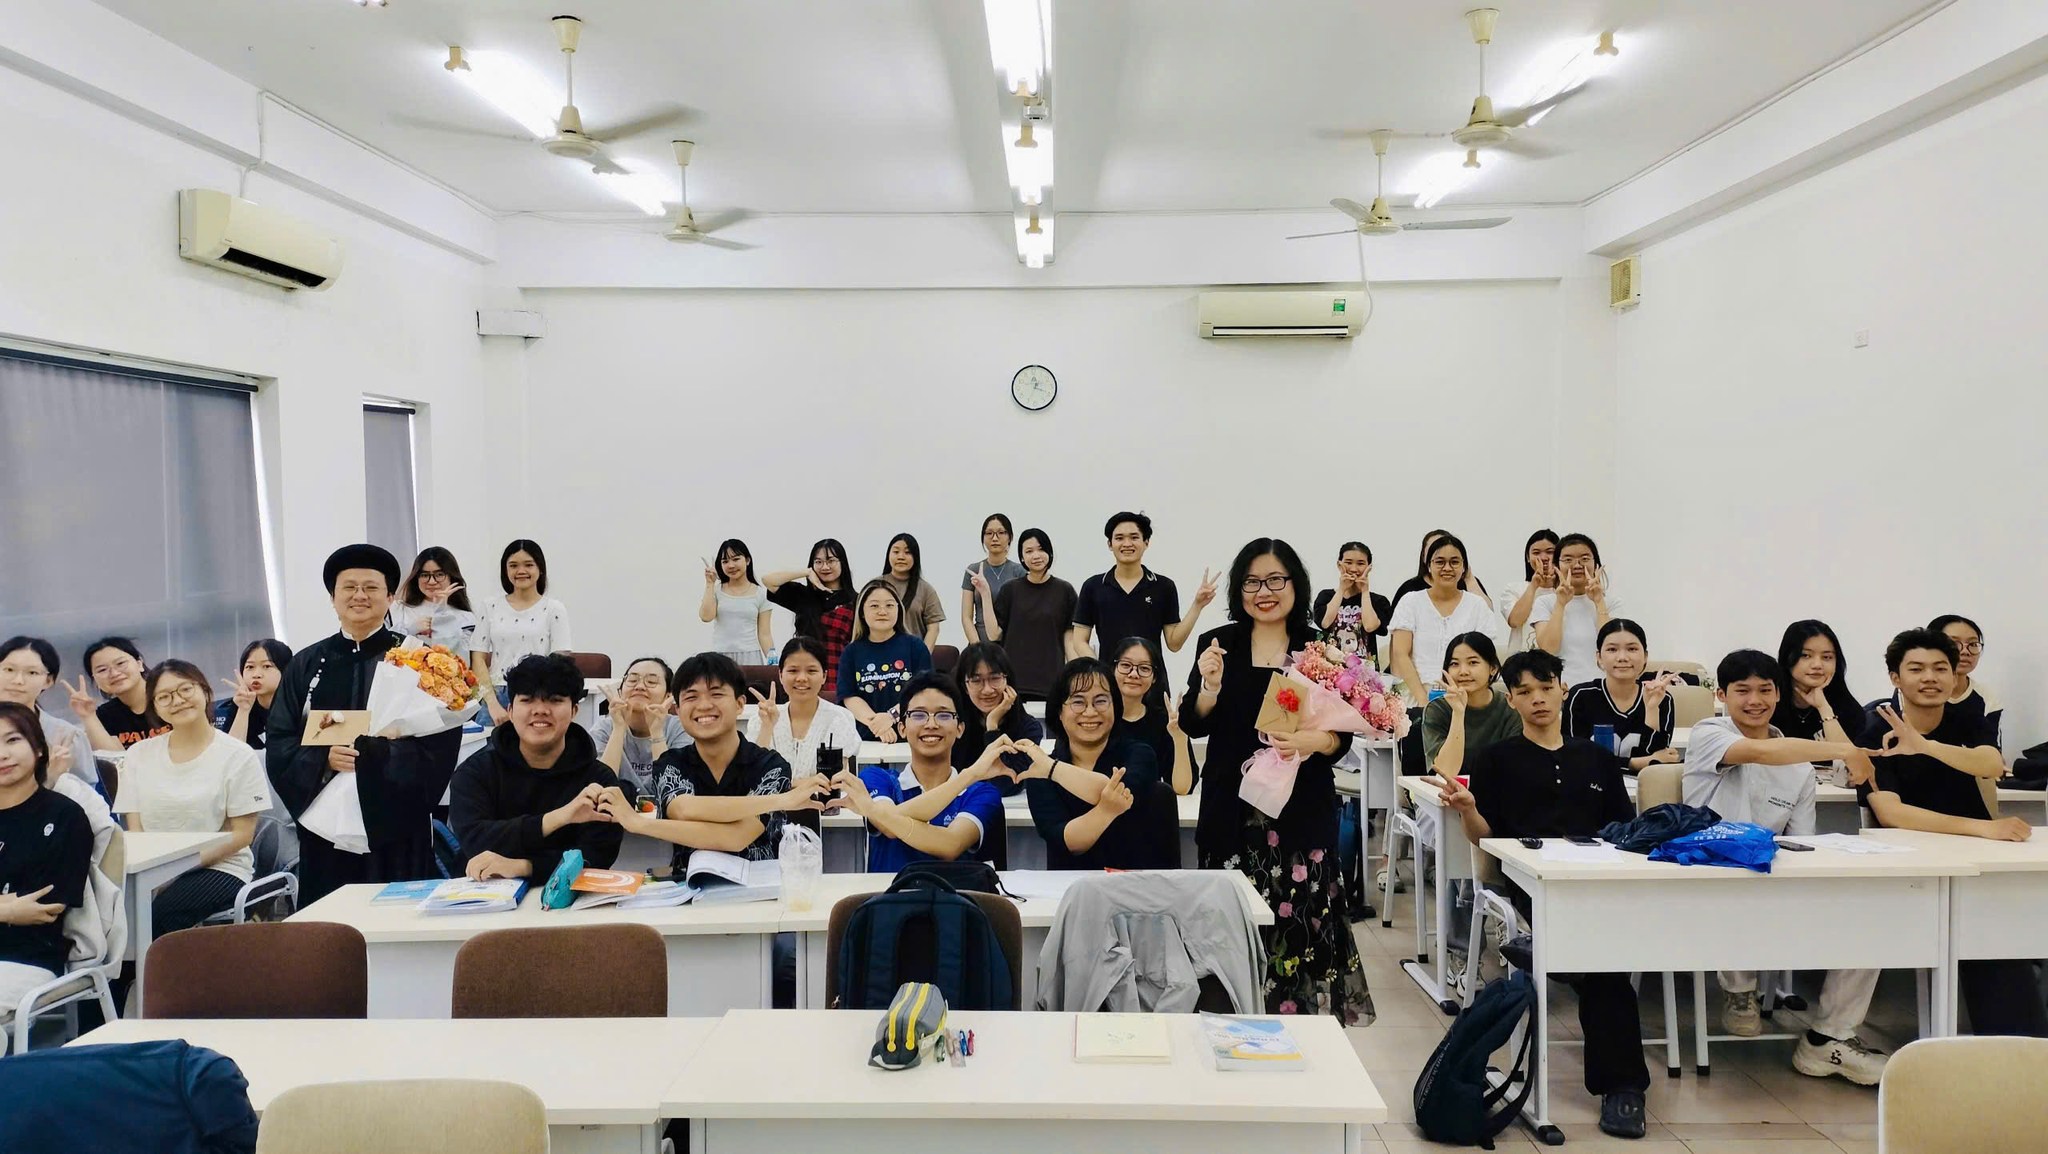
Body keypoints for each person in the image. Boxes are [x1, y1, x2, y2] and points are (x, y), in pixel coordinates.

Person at [1434, 649, 1648, 1139]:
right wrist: (1468, 809)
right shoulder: (1496, 759)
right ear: (1511, 700)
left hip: (1593, 883)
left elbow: (1624, 829)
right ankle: (1623, 1086)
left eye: (1546, 688)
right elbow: (1485, 838)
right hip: (1529, 885)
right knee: (1605, 962)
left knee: (1602, 955)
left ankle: (1621, 1082)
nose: (1538, 699)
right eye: (1525, 692)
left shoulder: (1595, 758)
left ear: (1562, 690)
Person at [1180, 537, 1371, 1023]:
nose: (1263, 592)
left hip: (1300, 814)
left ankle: (1297, 1037)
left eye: (1274, 580)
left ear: (1295, 585)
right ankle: (1227, 1030)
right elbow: (1194, 723)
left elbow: (1342, 737)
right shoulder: (1217, 643)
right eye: (1252, 582)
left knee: (1299, 932)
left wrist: (1312, 742)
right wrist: (1210, 687)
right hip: (1232, 809)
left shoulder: (1318, 648)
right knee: (1229, 932)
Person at [1682, 649, 1887, 1080]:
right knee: (1738, 875)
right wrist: (1847, 749)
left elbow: (1801, 842)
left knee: (1871, 918)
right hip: (1709, 876)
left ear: (1778, 694)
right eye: (1743, 691)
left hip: (1774, 876)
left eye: (1765, 690)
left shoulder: (1799, 766)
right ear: (1721, 695)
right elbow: (1759, 753)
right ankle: (1740, 990)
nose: (1755, 700)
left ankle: (1829, 1037)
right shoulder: (1708, 733)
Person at [1857, 628, 2046, 1036]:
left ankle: (2023, 1042)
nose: (1930, 677)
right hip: (1916, 860)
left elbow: (1990, 764)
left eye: (1940, 668)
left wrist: (1925, 745)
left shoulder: (1967, 719)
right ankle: (2015, 1041)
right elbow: (1890, 813)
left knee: (2022, 921)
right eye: (1916, 669)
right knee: (1989, 932)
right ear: (1895, 678)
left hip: (1980, 854)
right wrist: (1982, 828)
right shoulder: (1875, 728)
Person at [267, 544, 465, 905]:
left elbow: (441, 738)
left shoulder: (420, 660)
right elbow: (280, 740)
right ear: (333, 598)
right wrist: (322, 760)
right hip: (324, 822)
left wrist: (376, 755)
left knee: (398, 913)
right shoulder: (306, 665)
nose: (360, 595)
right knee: (330, 920)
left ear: (390, 597)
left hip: (396, 819)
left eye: (371, 587)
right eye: (349, 587)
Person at [595, 654, 826, 870]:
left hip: (760, 887)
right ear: (678, 710)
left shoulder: (771, 765)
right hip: (688, 887)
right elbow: (682, 809)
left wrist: (638, 823)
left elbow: (736, 838)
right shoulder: (670, 763)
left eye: (716, 694)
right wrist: (781, 800)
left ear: (739, 704)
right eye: (691, 697)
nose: (704, 705)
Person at [113, 660, 271, 935]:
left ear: (205, 691)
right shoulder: (139, 754)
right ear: (154, 707)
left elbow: (242, 835)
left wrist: (176, 870)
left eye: (185, 689)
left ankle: (148, 965)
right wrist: (152, 872)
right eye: (164, 697)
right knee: (108, 914)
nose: (177, 701)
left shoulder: (237, 755)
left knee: (154, 917)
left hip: (221, 867)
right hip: (149, 868)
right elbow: (135, 830)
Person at [448, 654, 622, 881]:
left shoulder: (598, 779)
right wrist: (559, 817)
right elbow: (476, 841)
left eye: (555, 700)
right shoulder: (475, 772)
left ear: (574, 711)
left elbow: (598, 856)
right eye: (528, 700)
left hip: (569, 897)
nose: (540, 710)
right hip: (484, 892)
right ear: (510, 710)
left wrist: (524, 867)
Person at [833, 673, 1008, 873]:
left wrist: (873, 811)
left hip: (955, 893)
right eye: (918, 715)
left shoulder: (981, 793)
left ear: (960, 728)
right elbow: (887, 828)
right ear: (902, 728)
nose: (931, 724)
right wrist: (970, 775)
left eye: (943, 715)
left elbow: (950, 845)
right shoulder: (877, 778)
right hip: (890, 893)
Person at [0, 701, 94, 1017]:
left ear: (39, 748)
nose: (2, 754)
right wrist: (7, 909)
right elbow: (18, 909)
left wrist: (14, 910)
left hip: (23, 958)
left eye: (13, 740)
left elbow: (44, 909)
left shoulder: (65, 816)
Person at [1388, 534, 1506, 774]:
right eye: (1440, 561)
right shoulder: (1411, 601)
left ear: (1464, 567)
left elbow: (1485, 656)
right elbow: (1401, 654)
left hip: (1468, 699)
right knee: (1421, 769)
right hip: (1417, 697)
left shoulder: (1477, 606)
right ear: (1428, 566)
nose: (1447, 568)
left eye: (1454, 562)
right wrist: (1424, 700)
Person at [1025, 658, 1158, 869]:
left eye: (1101, 701)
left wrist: (1052, 769)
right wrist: (1106, 809)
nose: (1090, 712)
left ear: (1115, 706)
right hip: (1068, 884)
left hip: (1132, 881)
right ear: (1059, 712)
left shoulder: (1139, 755)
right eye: (1078, 702)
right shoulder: (1039, 773)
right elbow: (1068, 842)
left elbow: (1120, 793)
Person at [1070, 511, 1217, 657]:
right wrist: (1098, 668)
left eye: (1134, 537)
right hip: (1109, 672)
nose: (1127, 544)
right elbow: (1079, 641)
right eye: (1119, 538)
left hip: (1152, 672)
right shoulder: (1093, 586)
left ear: (1146, 542)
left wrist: (1197, 605)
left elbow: (1174, 643)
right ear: (1110, 544)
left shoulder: (1163, 586)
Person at [472, 539, 573, 727]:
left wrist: (543, 699)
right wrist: (492, 704)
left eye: (528, 565)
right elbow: (478, 658)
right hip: (496, 695)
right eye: (513, 565)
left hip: (537, 694)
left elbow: (560, 661)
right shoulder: (489, 606)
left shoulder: (554, 608)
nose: (521, 571)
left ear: (540, 569)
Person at [1562, 620, 1681, 771]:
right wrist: (1635, 763)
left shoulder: (1662, 698)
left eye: (1632, 649)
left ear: (1645, 656)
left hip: (1643, 785)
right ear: (1599, 657)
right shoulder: (1581, 696)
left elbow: (1657, 764)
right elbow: (1576, 758)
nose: (1622, 657)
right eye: (1612, 649)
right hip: (1592, 784)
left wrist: (1651, 709)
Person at [750, 638, 862, 781]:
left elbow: (832, 781)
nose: (802, 678)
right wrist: (767, 726)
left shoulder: (839, 719)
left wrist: (784, 785)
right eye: (793, 670)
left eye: (811, 671)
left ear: (824, 676)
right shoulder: (761, 720)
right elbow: (754, 777)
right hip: (771, 797)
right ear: (780, 675)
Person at [984, 527, 1076, 701]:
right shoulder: (1010, 590)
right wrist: (985, 593)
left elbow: (1069, 640)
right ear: (1022, 557)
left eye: (1041, 549)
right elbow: (994, 634)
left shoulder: (1065, 590)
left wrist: (1076, 674)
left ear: (1049, 553)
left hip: (1051, 680)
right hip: (1014, 682)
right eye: (1029, 551)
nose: (1036, 555)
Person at [836, 580, 934, 742]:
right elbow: (849, 697)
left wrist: (891, 717)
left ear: (898, 610)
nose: (882, 611)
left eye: (889, 605)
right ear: (862, 612)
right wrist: (877, 725)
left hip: (909, 737)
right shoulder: (851, 652)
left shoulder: (915, 647)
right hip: (866, 739)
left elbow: (923, 692)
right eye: (874, 606)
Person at [0, 637, 99, 790]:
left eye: (32, 672)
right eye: (9, 670)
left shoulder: (67, 736)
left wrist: (53, 778)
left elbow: (86, 796)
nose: (18, 680)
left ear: (48, 681)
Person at [591, 657, 692, 801]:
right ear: (620, 691)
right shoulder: (603, 729)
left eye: (651, 682)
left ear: (668, 696)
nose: (639, 687)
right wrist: (619, 728)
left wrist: (656, 732)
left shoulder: (681, 729)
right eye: (632, 680)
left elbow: (672, 792)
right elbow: (599, 790)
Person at [763, 539, 857, 694]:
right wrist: (806, 573)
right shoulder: (804, 595)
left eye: (831, 561)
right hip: (804, 671)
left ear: (842, 563)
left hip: (839, 672)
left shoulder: (855, 600)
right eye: (818, 562)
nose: (825, 567)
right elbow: (768, 581)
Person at [1422, 633, 1520, 778]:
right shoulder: (1437, 709)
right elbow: (1446, 771)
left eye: (1473, 662)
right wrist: (1458, 712)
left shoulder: (1511, 707)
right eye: (1454, 664)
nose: (1463, 672)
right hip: (1449, 789)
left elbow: (1516, 766)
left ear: (1493, 668)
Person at [1528, 533, 1619, 688]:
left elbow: (1613, 646)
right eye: (1568, 560)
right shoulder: (1544, 602)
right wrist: (1560, 604)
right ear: (1556, 566)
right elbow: (1549, 649)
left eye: (1584, 558)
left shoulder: (1612, 603)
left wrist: (1599, 601)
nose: (1577, 565)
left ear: (1596, 564)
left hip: (1604, 687)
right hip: (1562, 688)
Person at [1109, 636, 1195, 795]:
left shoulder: (1164, 722)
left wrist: (1180, 739)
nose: (1133, 674)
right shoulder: (1096, 718)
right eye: (1126, 665)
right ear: (1113, 669)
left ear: (1154, 677)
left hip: (1146, 806)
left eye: (1144, 668)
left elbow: (1182, 789)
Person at [951, 642, 1043, 785]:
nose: (987, 690)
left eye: (995, 678)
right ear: (965, 687)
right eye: (976, 680)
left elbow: (1006, 785)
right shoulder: (954, 725)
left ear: (1008, 681)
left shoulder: (1029, 728)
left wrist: (992, 726)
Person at [1773, 620, 1867, 744]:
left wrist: (1823, 707)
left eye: (1826, 657)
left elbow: (1848, 754)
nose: (1817, 665)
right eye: (1806, 655)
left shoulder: (1848, 708)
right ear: (1787, 657)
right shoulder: (1769, 701)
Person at [73, 638, 168, 750]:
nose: (114, 673)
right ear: (95, 679)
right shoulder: (105, 716)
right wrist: (88, 717)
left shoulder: (169, 696)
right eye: (102, 670)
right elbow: (111, 757)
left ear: (139, 664)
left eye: (120, 663)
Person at [1930, 614, 2001, 751]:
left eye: (1973, 644)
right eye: (1953, 643)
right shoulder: (1914, 690)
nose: (1965, 652)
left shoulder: (1986, 697)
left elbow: (1992, 754)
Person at [1313, 542, 1393, 663]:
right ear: (1339, 565)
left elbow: (1370, 626)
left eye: (1360, 564)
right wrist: (1342, 589)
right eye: (1348, 562)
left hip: (1366, 669)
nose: (1354, 569)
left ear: (1369, 567)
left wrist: (1365, 591)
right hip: (1332, 668)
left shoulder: (1379, 601)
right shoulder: (1326, 596)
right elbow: (1325, 623)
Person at [387, 547, 477, 652]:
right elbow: (383, 648)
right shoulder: (397, 609)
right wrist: (410, 630)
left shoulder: (466, 618)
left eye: (439, 575)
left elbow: (464, 656)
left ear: (452, 577)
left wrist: (443, 620)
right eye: (425, 575)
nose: (432, 581)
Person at [699, 539, 773, 665]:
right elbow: (706, 617)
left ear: (747, 560)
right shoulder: (716, 590)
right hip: (721, 657)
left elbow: (765, 634)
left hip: (750, 656)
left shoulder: (761, 594)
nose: (731, 565)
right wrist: (710, 583)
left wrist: (774, 662)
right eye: (725, 561)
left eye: (736, 559)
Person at [215, 639, 293, 750]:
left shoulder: (300, 705)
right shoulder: (240, 704)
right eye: (250, 667)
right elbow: (231, 753)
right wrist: (243, 710)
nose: (256, 675)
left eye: (266, 666)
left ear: (286, 669)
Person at [960, 514, 1025, 645]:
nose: (995, 538)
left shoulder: (1019, 571)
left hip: (1010, 643)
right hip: (979, 643)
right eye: (989, 533)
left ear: (1010, 537)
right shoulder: (973, 570)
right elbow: (966, 617)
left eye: (1001, 533)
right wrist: (977, 647)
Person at [1389, 528, 1488, 611]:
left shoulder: (1468, 583)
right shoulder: (1409, 591)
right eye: (1434, 548)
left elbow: (1487, 613)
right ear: (1425, 557)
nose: (1447, 568)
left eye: (1454, 561)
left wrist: (1469, 579)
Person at [1495, 529, 1560, 653]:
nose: (1544, 558)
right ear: (1528, 557)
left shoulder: (1566, 591)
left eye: (1550, 552)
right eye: (1536, 553)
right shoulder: (1513, 589)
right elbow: (1515, 621)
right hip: (1521, 661)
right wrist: (1534, 585)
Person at [879, 533, 945, 648]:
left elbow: (933, 628)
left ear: (916, 557)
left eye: (907, 552)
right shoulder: (876, 586)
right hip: (879, 652)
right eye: (896, 552)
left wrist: (923, 655)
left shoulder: (926, 590)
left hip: (913, 653)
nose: (901, 557)